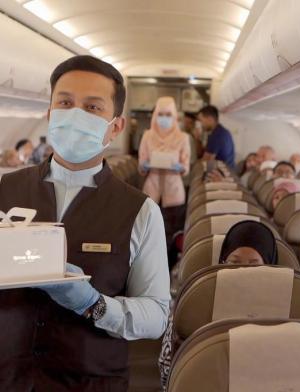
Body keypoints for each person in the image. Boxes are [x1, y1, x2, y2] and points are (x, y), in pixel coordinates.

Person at [0, 55, 170, 391]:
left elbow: (156, 315)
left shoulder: (141, 211)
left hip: (91, 382)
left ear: (116, 126)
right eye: (65, 103)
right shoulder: (5, 189)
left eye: (92, 108)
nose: (75, 115)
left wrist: (93, 303)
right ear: (50, 115)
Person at [158, 220, 277, 390]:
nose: (242, 271)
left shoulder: (287, 301)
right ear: (222, 262)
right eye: (234, 262)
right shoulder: (196, 299)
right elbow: (167, 369)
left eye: (254, 264)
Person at [138, 96, 191, 251]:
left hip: (174, 191)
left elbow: (186, 166)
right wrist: (145, 165)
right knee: (148, 231)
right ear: (155, 115)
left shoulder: (182, 137)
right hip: (151, 188)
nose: (164, 118)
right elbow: (141, 165)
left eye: (168, 115)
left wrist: (178, 167)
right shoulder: (147, 135)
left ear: (174, 117)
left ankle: (169, 265)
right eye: (161, 114)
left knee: (171, 233)